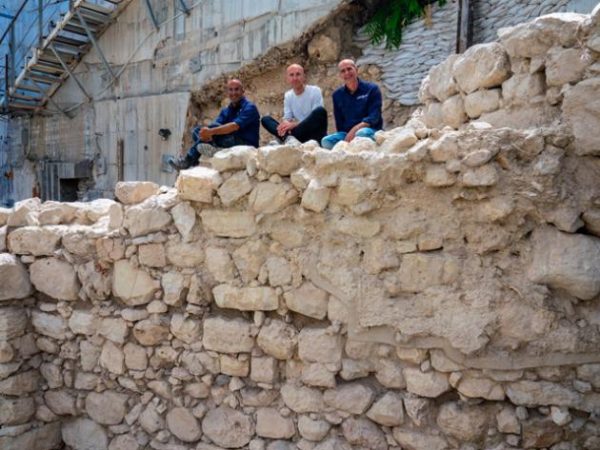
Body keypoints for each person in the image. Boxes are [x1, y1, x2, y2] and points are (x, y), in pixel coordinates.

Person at [169, 79, 260, 170]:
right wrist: (208, 133)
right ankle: (214, 148)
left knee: (211, 130)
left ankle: (189, 160)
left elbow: (234, 126)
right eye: (231, 90)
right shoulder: (227, 110)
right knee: (197, 131)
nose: (233, 92)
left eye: (236, 89)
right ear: (227, 92)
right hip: (229, 139)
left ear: (242, 91)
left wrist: (210, 132)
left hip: (245, 143)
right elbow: (216, 124)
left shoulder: (249, 107)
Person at [321, 59, 383, 150]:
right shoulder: (337, 95)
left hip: (369, 130)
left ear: (356, 70)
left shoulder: (372, 89)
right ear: (340, 75)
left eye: (349, 69)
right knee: (325, 141)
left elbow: (374, 116)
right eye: (343, 71)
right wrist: (346, 137)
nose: (347, 73)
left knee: (361, 134)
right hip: (347, 134)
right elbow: (340, 123)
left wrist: (355, 129)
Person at [261, 64, 327, 144]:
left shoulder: (315, 91)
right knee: (266, 119)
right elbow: (287, 117)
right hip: (299, 133)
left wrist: (294, 125)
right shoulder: (288, 95)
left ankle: (285, 138)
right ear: (287, 79)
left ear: (304, 77)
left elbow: (315, 119)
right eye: (291, 75)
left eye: (298, 74)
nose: (295, 78)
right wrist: (285, 125)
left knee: (320, 111)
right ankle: (287, 137)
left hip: (314, 133)